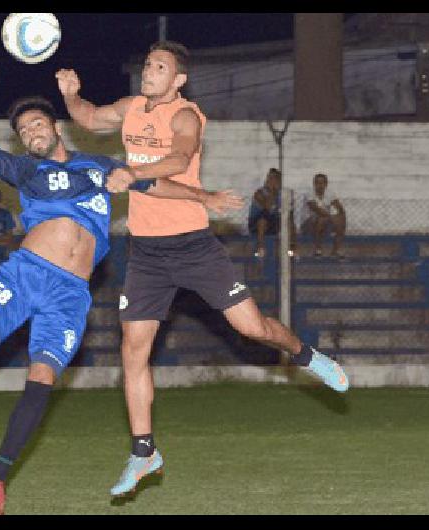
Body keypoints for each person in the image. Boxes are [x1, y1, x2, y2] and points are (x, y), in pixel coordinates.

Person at [0, 64, 232, 516]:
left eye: (37, 123)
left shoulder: (99, 167)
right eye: (23, 130)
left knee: (41, 379)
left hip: (71, 295)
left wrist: (206, 198)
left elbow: (156, 184)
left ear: (55, 127)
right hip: (27, 275)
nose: (31, 132)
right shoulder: (27, 171)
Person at [57, 40, 350, 498]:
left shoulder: (186, 115)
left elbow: (179, 158)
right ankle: (143, 452)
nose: (150, 71)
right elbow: (92, 119)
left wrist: (133, 174)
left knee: (253, 329)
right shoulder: (132, 107)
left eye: (160, 67)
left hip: (194, 247)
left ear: (178, 79)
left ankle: (307, 356)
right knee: (133, 351)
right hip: (146, 254)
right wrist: (72, 95)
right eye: (148, 64)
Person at [248, 168, 297, 258]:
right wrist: (272, 192)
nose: (271, 181)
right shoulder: (259, 193)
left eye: (274, 178)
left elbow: (290, 212)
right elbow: (268, 207)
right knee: (262, 221)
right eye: (269, 178)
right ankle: (260, 248)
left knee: (289, 222)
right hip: (257, 223)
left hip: (274, 221)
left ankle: (291, 248)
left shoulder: (284, 194)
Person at [301, 173, 346, 258]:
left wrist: (340, 217)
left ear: (326, 184)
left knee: (341, 219)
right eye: (317, 183)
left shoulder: (330, 194)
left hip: (325, 222)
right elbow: (316, 209)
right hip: (308, 223)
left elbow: (340, 208)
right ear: (314, 184)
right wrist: (332, 217)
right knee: (322, 219)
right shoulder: (309, 194)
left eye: (322, 183)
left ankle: (336, 250)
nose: (320, 185)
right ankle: (318, 249)